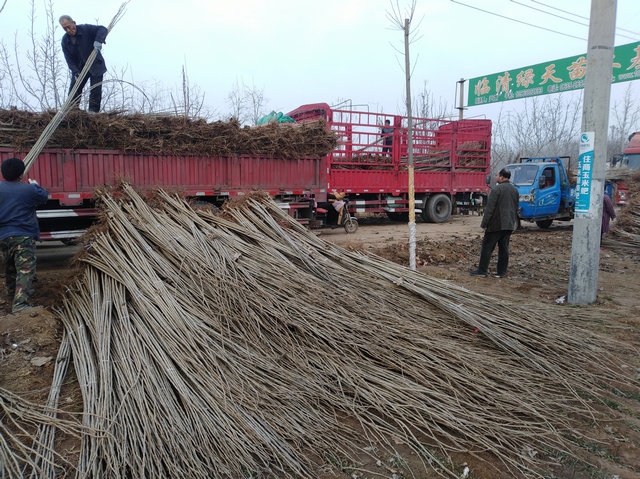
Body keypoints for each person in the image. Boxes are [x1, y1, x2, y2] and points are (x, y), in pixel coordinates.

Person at [0, 158, 49, 313]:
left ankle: (11, 298)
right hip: (22, 236)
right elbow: (43, 197)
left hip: (3, 237)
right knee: (25, 269)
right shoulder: (28, 189)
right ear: (21, 174)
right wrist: (34, 184)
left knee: (9, 269)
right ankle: (20, 305)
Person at [470, 168, 519, 278]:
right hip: (509, 225)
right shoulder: (514, 190)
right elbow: (516, 207)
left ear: (502, 177)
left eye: (497, 175)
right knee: (504, 249)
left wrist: (484, 223)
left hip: (496, 224)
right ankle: (501, 273)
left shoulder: (497, 189)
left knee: (487, 247)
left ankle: (482, 271)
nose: (496, 177)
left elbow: (489, 209)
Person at [59, 15, 108, 113]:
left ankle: (93, 113)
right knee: (74, 90)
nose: (68, 30)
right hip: (79, 68)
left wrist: (98, 40)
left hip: (95, 64)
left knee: (95, 90)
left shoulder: (85, 29)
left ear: (74, 23)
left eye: (69, 26)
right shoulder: (65, 41)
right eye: (65, 28)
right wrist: (76, 72)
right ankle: (72, 112)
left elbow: (103, 29)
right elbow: (69, 60)